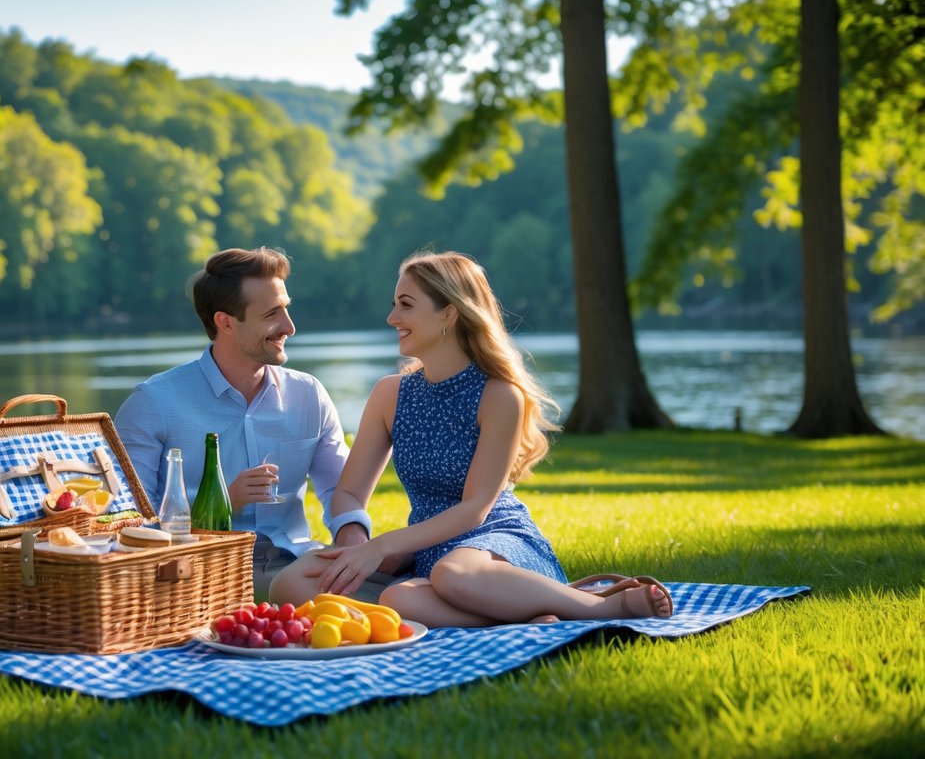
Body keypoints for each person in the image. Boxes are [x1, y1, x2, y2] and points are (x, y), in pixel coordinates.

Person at [269, 251, 674, 626]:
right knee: (299, 583)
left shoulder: (500, 395)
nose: (393, 317)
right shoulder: (389, 395)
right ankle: (520, 613)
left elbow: (475, 510)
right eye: (395, 304)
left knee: (452, 574)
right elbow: (349, 495)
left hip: (495, 545)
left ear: (449, 313)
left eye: (406, 305)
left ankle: (603, 605)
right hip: (425, 554)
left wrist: (384, 546)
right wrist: (357, 545)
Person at [115, 247, 403, 601]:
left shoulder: (307, 394)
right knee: (391, 604)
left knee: (413, 585)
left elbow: (341, 491)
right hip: (203, 573)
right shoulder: (153, 403)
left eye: (286, 308)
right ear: (226, 323)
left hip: (299, 561)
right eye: (272, 314)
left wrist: (352, 540)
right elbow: (128, 525)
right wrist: (223, 502)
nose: (289, 327)